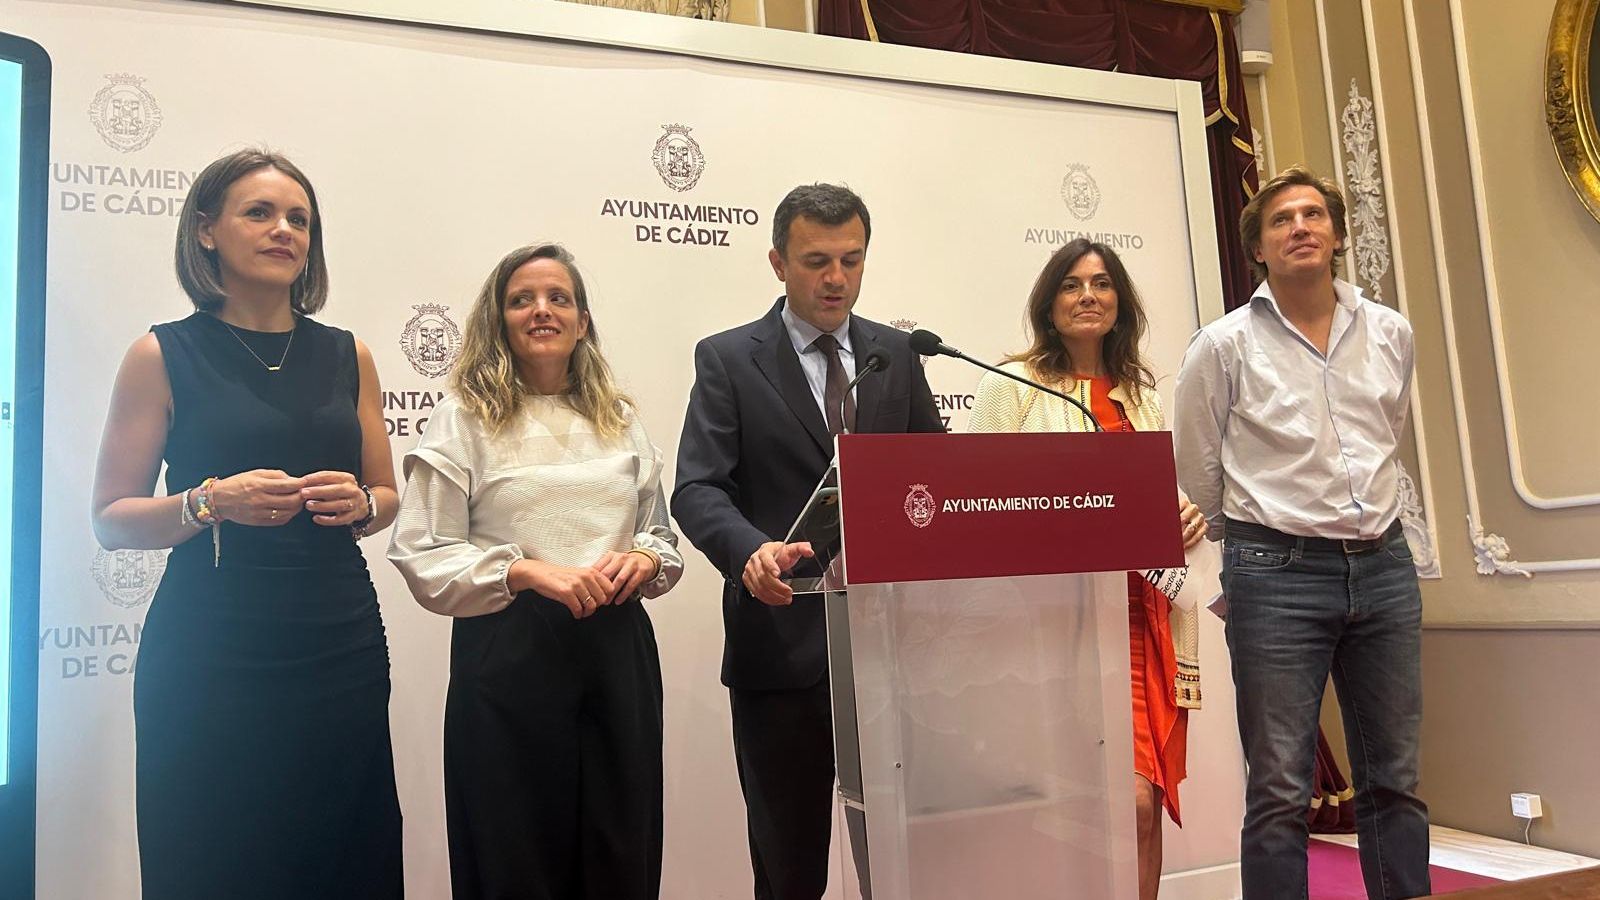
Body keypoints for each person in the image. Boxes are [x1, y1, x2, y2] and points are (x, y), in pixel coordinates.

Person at [90, 149, 403, 898]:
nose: (283, 230)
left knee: (343, 853)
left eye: (299, 219)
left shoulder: (348, 354)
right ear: (206, 230)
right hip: (210, 648)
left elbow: (387, 494)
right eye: (259, 213)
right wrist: (210, 501)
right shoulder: (161, 353)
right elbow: (111, 519)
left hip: (339, 641)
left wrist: (362, 505)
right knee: (214, 854)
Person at [672, 183, 943, 899]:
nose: (836, 279)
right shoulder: (730, 359)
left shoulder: (896, 353)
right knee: (790, 869)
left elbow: (934, 477)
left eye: (851, 260)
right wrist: (748, 551)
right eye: (817, 261)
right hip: (781, 642)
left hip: (891, 648)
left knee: (903, 862)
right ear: (778, 262)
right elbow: (697, 487)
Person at [388, 243, 683, 900]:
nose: (542, 310)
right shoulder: (463, 419)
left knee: (621, 847)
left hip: (616, 651)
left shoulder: (618, 418)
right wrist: (523, 571)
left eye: (559, 298)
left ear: (582, 322)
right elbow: (423, 550)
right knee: (513, 852)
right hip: (509, 650)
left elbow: (659, 536)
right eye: (522, 299)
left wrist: (644, 559)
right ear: (498, 320)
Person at [1173, 164, 1428, 900]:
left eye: (1313, 214)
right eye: (1281, 220)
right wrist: (1252, 546)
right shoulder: (1222, 345)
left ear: (1337, 234)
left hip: (1384, 565)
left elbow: (1388, 435)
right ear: (1258, 248)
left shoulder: (1390, 332)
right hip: (1275, 574)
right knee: (1280, 789)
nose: (1300, 228)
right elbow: (1197, 468)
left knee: (1396, 778)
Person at [967, 238, 1207, 900]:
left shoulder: (1140, 394)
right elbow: (972, 501)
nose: (1088, 296)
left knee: (1144, 803)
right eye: (1071, 285)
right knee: (1107, 806)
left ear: (1119, 302)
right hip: (1059, 629)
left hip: (1142, 619)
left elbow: (1157, 495)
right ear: (1048, 304)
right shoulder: (1013, 385)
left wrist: (1184, 518)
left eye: (1101, 284)